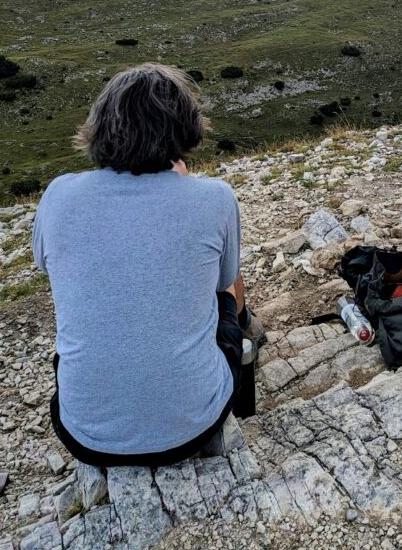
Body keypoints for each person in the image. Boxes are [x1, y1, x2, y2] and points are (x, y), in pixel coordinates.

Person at [32, 63, 258, 466]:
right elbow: (224, 282)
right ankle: (247, 339)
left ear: (100, 127)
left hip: (84, 435)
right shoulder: (215, 198)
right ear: (185, 129)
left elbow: (47, 266)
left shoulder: (58, 195)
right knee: (224, 287)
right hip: (194, 427)